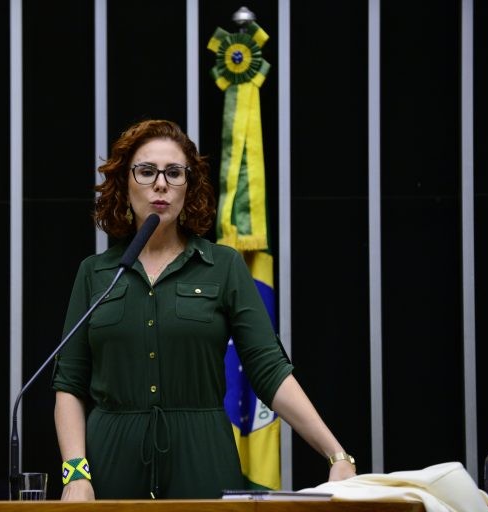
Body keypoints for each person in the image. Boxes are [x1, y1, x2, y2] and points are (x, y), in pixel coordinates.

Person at [52, 119, 356, 501]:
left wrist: (336, 453)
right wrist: (75, 472)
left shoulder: (224, 266)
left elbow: (269, 369)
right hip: (109, 464)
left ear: (188, 187)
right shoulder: (95, 273)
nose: (160, 184)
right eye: (146, 171)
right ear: (124, 183)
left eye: (174, 173)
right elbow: (69, 385)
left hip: (203, 458)